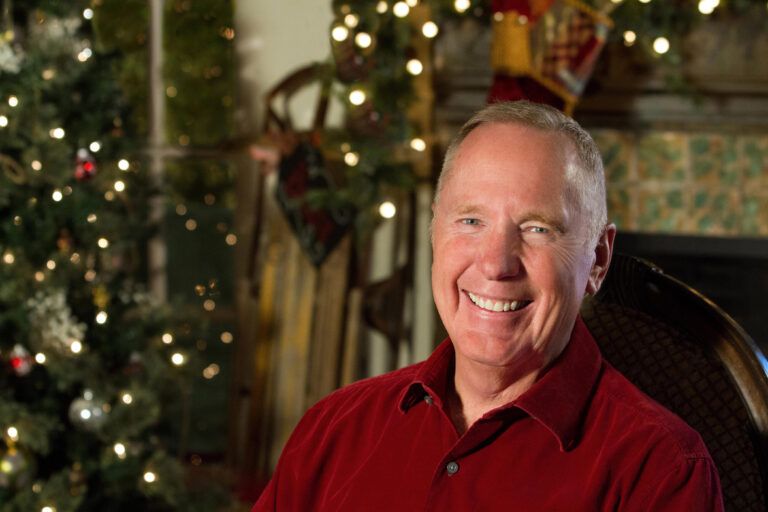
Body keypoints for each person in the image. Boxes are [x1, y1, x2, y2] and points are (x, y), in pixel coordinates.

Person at [252, 100, 724, 511]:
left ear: (597, 260)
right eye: (471, 220)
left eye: (538, 228)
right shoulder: (334, 429)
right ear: (435, 232)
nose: (497, 264)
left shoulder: (660, 470)